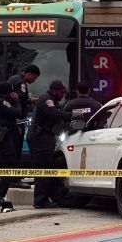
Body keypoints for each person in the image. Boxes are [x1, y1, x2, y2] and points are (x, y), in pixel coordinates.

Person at [28, 80, 83, 208]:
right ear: (54, 91)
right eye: (61, 92)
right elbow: (56, 115)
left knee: (46, 167)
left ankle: (43, 199)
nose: (63, 94)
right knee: (43, 169)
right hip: (39, 137)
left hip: (45, 136)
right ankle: (40, 201)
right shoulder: (46, 99)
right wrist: (75, 115)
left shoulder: (54, 101)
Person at [0, 82, 25, 210]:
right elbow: (18, 113)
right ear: (7, 93)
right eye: (11, 93)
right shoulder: (2, 102)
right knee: (9, 164)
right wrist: (17, 101)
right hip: (2, 137)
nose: (12, 95)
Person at [5, 65, 40, 187]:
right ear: (28, 74)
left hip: (9, 120)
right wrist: (32, 101)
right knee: (16, 149)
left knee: (10, 149)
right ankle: (15, 180)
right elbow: (19, 101)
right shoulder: (21, 83)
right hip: (17, 121)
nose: (33, 80)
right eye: (34, 78)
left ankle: (11, 178)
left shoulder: (12, 79)